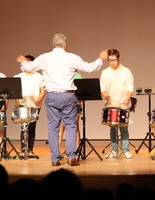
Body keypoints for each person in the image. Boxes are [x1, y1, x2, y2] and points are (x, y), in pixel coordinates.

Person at [16, 33, 108, 166]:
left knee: (53, 128)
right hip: (68, 95)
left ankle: (55, 159)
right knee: (70, 126)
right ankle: (71, 157)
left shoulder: (45, 57)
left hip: (52, 95)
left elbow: (28, 67)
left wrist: (23, 61)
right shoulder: (71, 57)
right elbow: (90, 68)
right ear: (65, 45)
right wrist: (100, 59)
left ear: (52, 44)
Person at [100, 49, 134, 159]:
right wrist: (105, 95)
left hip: (123, 104)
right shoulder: (105, 72)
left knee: (124, 128)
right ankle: (114, 150)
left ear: (118, 58)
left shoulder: (126, 71)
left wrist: (127, 98)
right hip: (111, 105)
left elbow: (130, 87)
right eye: (110, 60)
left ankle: (125, 150)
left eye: (114, 60)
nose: (112, 62)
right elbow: (103, 88)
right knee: (113, 129)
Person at [14, 55, 46, 159]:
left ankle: (30, 150)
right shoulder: (19, 76)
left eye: (27, 62)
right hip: (23, 104)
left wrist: (40, 99)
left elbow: (43, 90)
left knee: (32, 128)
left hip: (35, 105)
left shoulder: (39, 76)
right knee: (23, 128)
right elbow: (16, 91)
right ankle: (23, 149)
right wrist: (16, 102)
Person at [59, 72, 83, 156]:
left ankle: (76, 150)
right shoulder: (62, 74)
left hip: (75, 103)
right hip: (64, 103)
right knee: (62, 127)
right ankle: (58, 151)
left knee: (76, 126)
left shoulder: (78, 76)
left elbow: (80, 90)